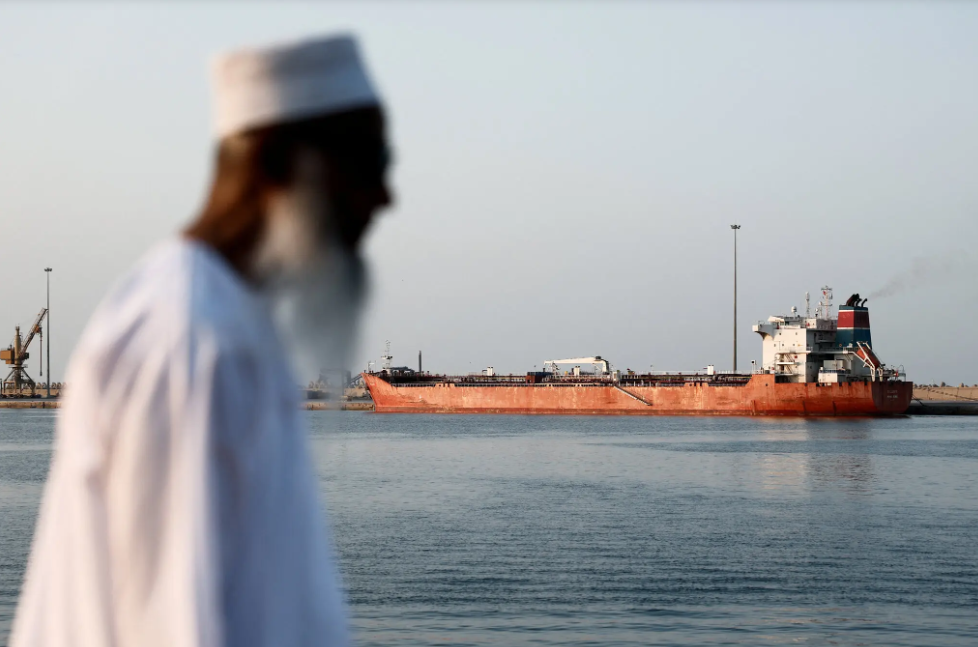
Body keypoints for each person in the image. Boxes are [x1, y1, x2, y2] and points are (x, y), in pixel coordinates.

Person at [10, 33, 391, 647]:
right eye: (369, 163)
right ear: (277, 159)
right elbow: (171, 625)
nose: (383, 197)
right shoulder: (189, 339)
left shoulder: (225, 323)